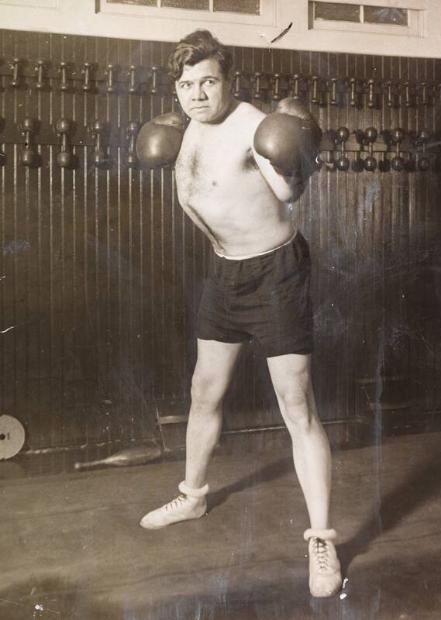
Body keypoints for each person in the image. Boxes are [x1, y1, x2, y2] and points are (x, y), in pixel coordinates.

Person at [137, 29, 342, 598]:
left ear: (228, 82)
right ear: (175, 89)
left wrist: (294, 158)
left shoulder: (255, 126)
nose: (198, 94)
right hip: (225, 273)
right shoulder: (183, 128)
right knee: (205, 390)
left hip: (276, 272)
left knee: (296, 403)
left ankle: (322, 539)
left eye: (209, 81)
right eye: (187, 84)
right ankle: (194, 497)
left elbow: (291, 194)